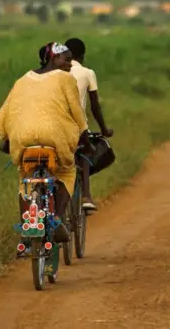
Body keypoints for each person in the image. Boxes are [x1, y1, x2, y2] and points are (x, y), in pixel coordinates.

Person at [0, 42, 95, 250]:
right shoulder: (66, 79)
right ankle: (55, 218)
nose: (70, 64)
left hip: (23, 138)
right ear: (53, 58)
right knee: (67, 172)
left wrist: (7, 138)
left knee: (25, 179)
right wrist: (85, 140)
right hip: (54, 137)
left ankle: (26, 227)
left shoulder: (22, 80)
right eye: (66, 59)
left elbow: (9, 111)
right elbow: (77, 114)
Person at [64, 37, 114, 212]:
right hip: (77, 128)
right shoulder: (86, 72)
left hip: (53, 126)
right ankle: (86, 195)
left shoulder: (54, 72)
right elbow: (95, 106)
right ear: (82, 56)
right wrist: (104, 129)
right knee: (85, 150)